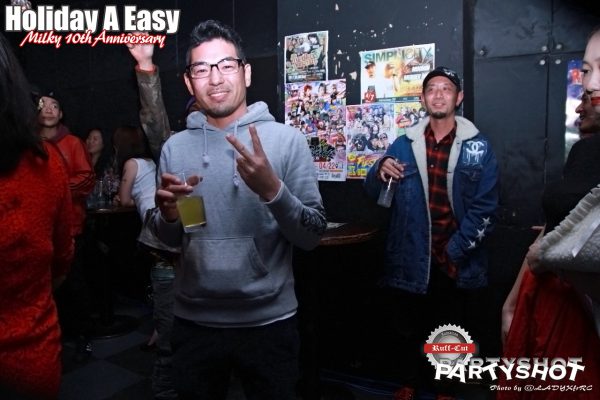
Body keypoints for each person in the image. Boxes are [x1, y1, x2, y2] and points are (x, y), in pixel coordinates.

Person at [149, 20, 326, 399]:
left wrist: (273, 190)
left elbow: (311, 236)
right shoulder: (175, 148)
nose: (215, 79)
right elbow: (179, 236)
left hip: (269, 322)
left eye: (226, 65)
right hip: (194, 323)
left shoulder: (286, 141)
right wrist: (169, 217)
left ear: (246, 73)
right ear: (189, 82)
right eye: (201, 69)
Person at [364, 66, 499, 400]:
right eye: (432, 89)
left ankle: (446, 390)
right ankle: (409, 383)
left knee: (450, 332)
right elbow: (374, 194)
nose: (439, 94)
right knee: (407, 327)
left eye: (446, 88)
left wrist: (454, 251)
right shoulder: (403, 144)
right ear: (423, 99)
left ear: (459, 97)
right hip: (411, 256)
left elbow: (485, 208)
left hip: (454, 258)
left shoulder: (478, 147)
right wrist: (379, 169)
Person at [499, 29, 600, 400]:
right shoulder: (585, 152)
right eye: (586, 71)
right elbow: (557, 229)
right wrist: (512, 302)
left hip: (575, 312)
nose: (589, 84)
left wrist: (548, 259)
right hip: (547, 299)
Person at [0, 32, 74, 399]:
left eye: (54, 106)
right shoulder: (45, 160)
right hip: (33, 357)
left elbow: (83, 179)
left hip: (27, 360)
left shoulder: (54, 155)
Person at [125, 37, 180, 399]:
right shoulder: (178, 147)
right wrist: (146, 68)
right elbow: (155, 122)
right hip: (168, 260)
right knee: (169, 344)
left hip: (210, 264)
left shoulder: (235, 149)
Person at [37, 89, 96, 361]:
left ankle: (83, 335)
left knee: (74, 283)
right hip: (40, 228)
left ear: (61, 114)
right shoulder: (29, 143)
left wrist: (53, 189)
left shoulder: (72, 143)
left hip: (70, 226)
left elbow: (86, 179)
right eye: (43, 105)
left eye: (54, 106)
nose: (48, 109)